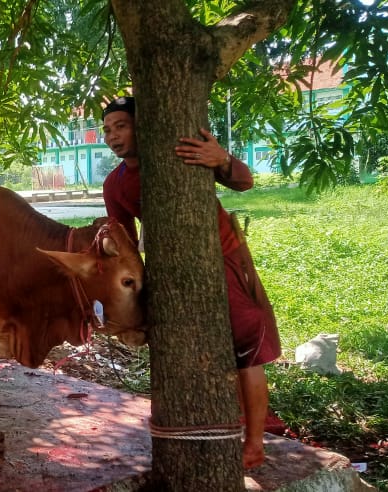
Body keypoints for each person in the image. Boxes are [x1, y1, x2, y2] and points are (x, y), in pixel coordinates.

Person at [100, 96, 281, 469]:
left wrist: (222, 159)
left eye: (121, 126)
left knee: (247, 348)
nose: (112, 136)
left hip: (225, 257)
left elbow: (244, 181)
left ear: (141, 126)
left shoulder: (181, 153)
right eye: (107, 130)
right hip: (169, 272)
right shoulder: (114, 184)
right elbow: (126, 243)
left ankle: (255, 443)